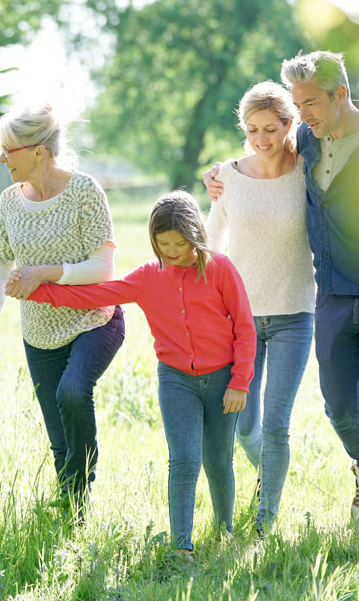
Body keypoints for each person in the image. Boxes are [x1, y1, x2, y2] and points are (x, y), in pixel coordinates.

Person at [207, 52, 359, 535]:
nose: (303, 115)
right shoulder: (306, 139)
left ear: (341, 94)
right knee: (339, 407)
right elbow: (257, 158)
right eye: (298, 105)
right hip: (332, 296)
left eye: (311, 104)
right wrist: (217, 174)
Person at [22, 190, 255, 561]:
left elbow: (245, 328)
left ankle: (224, 530)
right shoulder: (148, 276)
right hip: (176, 379)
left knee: (217, 460)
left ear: (196, 236)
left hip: (224, 380)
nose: (172, 250)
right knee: (183, 459)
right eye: (163, 243)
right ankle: (182, 546)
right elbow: (98, 293)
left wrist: (240, 382)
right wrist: (41, 291)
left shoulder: (220, 269)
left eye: (181, 243)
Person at [0, 102, 125, 513]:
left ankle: (86, 473)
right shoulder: (9, 201)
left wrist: (47, 272)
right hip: (39, 330)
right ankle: (74, 515)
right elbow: (3, 266)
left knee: (73, 392)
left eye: (9, 150)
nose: (2, 158)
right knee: (58, 439)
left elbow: (103, 267)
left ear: (38, 150)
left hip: (94, 319)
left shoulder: (84, 191)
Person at [204, 81, 315, 535]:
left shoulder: (310, 171)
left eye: (271, 128)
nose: (262, 138)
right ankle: (267, 478)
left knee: (275, 423)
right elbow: (211, 242)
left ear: (290, 125)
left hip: (294, 312)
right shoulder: (227, 176)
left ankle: (265, 520)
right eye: (252, 129)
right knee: (243, 424)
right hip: (241, 319)